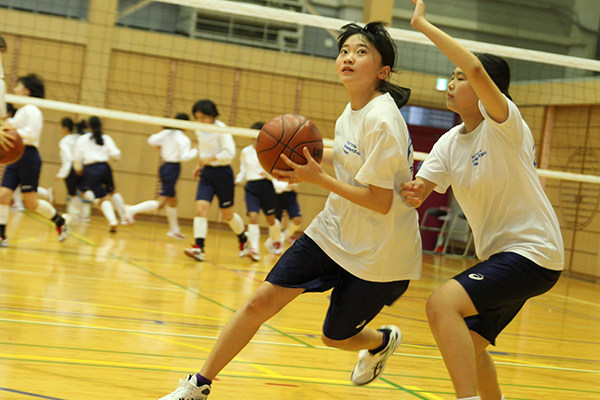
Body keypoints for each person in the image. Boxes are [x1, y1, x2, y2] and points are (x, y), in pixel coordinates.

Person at [157, 21, 421, 400]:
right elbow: (348, 155)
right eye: (344, 50)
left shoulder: (383, 119)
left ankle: (381, 341)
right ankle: (197, 386)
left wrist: (317, 178)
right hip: (333, 231)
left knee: (335, 336)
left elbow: (380, 202)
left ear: (383, 71)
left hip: (380, 252)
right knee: (260, 301)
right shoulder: (352, 112)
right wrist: (300, 156)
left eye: (361, 51)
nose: (348, 57)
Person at [400, 2, 564, 400]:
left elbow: (475, 68)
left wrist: (422, 25)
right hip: (500, 258)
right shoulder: (448, 143)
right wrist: (404, 188)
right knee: (469, 349)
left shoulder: (505, 124)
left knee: (441, 306)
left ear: (487, 87)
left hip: (533, 252)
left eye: (459, 77)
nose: (452, 83)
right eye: (451, 77)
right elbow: (420, 190)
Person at [0, 74, 70, 246]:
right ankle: (1, 236)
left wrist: (12, 132)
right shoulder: (21, 111)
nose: (14, 89)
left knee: (30, 203)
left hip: (28, 156)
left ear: (26, 90)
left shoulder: (32, 110)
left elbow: (30, 134)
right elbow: (9, 127)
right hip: (15, 157)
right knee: (3, 195)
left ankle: (60, 222)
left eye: (17, 86)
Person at [184, 99, 248, 261]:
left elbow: (229, 154)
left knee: (228, 215)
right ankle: (199, 248)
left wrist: (210, 159)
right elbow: (205, 150)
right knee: (200, 209)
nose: (200, 121)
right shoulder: (199, 129)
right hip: (207, 174)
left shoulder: (221, 129)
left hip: (223, 174)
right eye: (198, 117)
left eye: (203, 117)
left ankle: (243, 238)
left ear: (212, 115)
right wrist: (201, 165)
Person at [123, 113, 198, 238]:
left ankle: (174, 229)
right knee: (161, 203)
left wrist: (158, 145)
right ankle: (131, 210)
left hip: (165, 167)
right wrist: (196, 150)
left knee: (173, 199)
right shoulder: (184, 139)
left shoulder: (166, 133)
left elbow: (151, 140)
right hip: (173, 169)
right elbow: (185, 157)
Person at [235, 122, 283, 261]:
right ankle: (254, 249)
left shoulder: (271, 151)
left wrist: (268, 175)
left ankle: (277, 239)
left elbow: (277, 171)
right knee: (253, 216)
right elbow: (243, 171)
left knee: (270, 219)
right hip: (251, 187)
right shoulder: (245, 152)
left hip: (266, 186)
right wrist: (238, 179)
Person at [73, 116, 126, 232]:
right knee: (112, 191)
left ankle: (112, 221)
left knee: (102, 198)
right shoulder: (105, 138)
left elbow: (76, 159)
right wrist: (116, 158)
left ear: (89, 127)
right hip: (105, 167)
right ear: (101, 126)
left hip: (91, 169)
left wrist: (78, 170)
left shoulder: (83, 139)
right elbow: (116, 154)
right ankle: (124, 217)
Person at [56, 117, 90, 221]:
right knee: (85, 190)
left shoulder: (64, 141)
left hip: (71, 168)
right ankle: (99, 201)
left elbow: (68, 158)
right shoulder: (79, 137)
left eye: (61, 126)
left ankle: (83, 215)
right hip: (82, 165)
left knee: (73, 193)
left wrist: (62, 173)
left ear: (65, 128)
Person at [272, 178, 301, 246]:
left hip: (290, 196)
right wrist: (285, 186)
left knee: (297, 220)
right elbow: (273, 184)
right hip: (277, 196)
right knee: (275, 221)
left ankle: (288, 234)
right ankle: (275, 241)